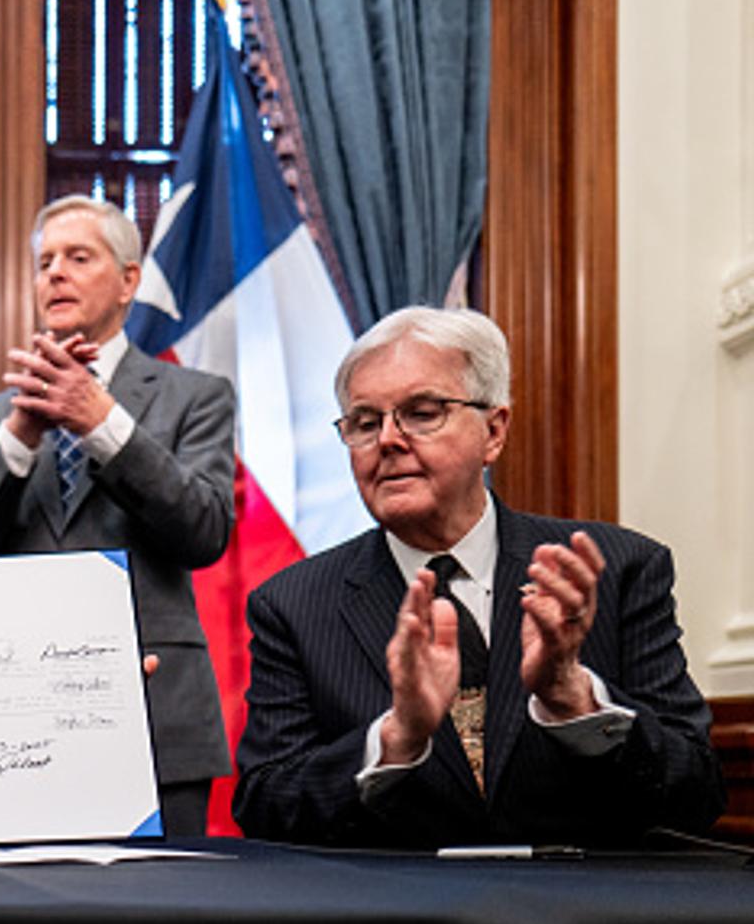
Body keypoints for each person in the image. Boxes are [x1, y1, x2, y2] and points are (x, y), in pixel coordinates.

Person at [233, 307, 723, 847]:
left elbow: (697, 793)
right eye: (366, 422)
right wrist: (398, 737)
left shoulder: (618, 570)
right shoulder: (294, 604)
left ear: (493, 431)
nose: (388, 441)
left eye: (422, 412)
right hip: (392, 919)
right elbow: (265, 806)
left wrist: (573, 699)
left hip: (580, 918)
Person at [0, 194, 236, 836]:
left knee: (164, 923)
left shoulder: (195, 397)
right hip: (13, 725)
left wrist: (104, 425)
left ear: (129, 281)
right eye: (44, 263)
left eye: (77, 257)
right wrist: (18, 436)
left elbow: (205, 531)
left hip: (156, 715)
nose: (55, 274)